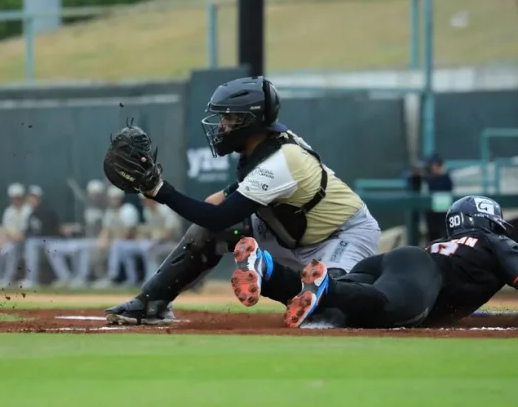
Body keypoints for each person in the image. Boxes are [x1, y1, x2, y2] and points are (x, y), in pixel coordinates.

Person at [104, 76, 381, 325]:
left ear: (250, 121)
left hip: (342, 234)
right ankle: (151, 301)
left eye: (228, 118)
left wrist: (160, 190)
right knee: (208, 230)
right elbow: (221, 209)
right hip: (290, 233)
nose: (221, 126)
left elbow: (220, 216)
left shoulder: (280, 161)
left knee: (331, 305)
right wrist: (212, 199)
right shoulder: (264, 150)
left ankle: (290, 283)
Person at [280, 195, 518, 329]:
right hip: (411, 275)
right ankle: (326, 288)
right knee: (386, 305)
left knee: (342, 312)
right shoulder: (494, 241)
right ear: (490, 223)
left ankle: (269, 273)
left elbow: (470, 315)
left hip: (395, 265)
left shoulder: (447, 249)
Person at [19, 186, 87, 289]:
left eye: (34, 197)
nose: (32, 200)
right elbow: (27, 232)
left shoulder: (47, 210)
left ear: (39, 198)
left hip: (52, 239)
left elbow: (55, 229)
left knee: (51, 248)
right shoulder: (29, 212)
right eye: (31, 197)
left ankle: (66, 278)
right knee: (31, 244)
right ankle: (31, 280)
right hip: (38, 241)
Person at [91, 186, 141, 289]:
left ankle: (112, 276)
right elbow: (106, 229)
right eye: (111, 198)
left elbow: (130, 232)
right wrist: (102, 241)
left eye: (116, 197)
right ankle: (96, 278)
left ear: (121, 198)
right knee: (96, 248)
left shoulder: (128, 209)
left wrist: (114, 241)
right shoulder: (110, 211)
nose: (113, 200)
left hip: (131, 241)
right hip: (115, 242)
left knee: (117, 246)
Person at [423, 153, 454, 242]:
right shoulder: (427, 180)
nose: (437, 168)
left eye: (439, 165)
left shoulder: (446, 179)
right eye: (435, 165)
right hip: (431, 216)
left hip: (444, 215)